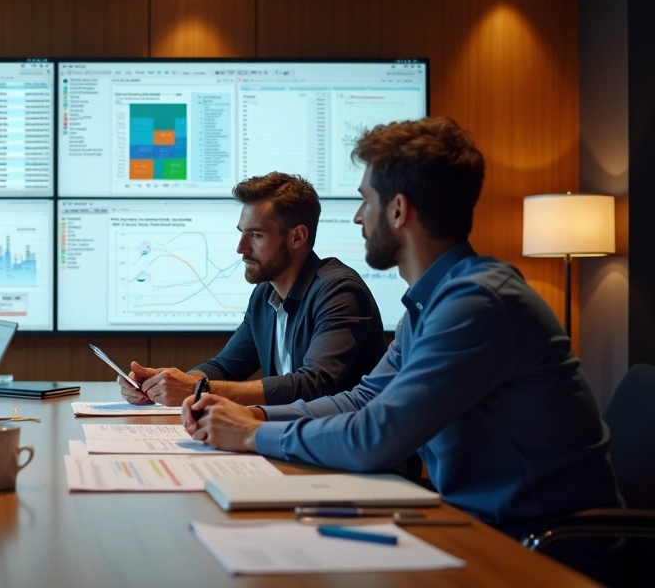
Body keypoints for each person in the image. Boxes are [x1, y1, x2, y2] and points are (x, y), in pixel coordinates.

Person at [183, 117, 621, 540]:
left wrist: (252, 433)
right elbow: (364, 398)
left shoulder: (477, 304)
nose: (358, 218)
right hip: (480, 525)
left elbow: (377, 436)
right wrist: (254, 415)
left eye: (364, 201)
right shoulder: (433, 301)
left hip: (544, 547)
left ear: (397, 210)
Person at [120, 172, 387, 407]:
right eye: (242, 233)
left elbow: (314, 385)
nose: (241, 248)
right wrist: (164, 384)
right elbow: (224, 367)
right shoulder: (265, 294)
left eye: (256, 235)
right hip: (296, 443)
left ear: (297, 237)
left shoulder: (340, 292)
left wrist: (195, 389)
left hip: (355, 458)